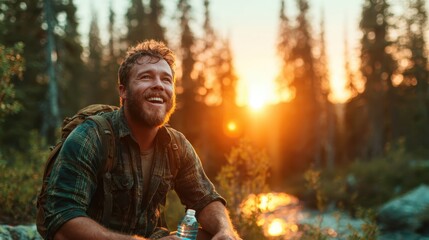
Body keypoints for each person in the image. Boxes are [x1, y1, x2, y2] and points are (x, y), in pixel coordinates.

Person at [41, 40, 241, 240]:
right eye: (146, 77)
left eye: (166, 79)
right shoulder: (90, 137)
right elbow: (62, 222)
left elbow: (205, 200)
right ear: (123, 91)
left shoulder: (175, 145)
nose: (158, 85)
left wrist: (225, 231)